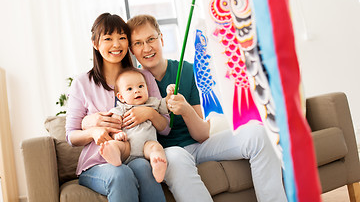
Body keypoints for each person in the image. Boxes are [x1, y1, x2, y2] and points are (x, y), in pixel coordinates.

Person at [125, 14, 288, 202]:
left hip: (200, 146)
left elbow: (202, 135)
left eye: (151, 39)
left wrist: (186, 109)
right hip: (168, 152)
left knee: (260, 134)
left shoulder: (186, 70)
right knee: (177, 158)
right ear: (131, 50)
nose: (146, 48)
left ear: (161, 38)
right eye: (138, 43)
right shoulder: (131, 83)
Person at [66, 13, 169, 202]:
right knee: (120, 174)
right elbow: (71, 136)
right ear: (95, 43)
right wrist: (93, 132)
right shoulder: (82, 83)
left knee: (144, 169)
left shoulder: (144, 77)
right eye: (108, 38)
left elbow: (166, 127)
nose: (116, 44)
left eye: (122, 38)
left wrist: (149, 113)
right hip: (96, 164)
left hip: (137, 155)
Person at [100, 67, 174, 183]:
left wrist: (170, 95)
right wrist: (117, 135)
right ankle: (113, 154)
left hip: (147, 145)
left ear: (147, 88)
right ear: (121, 97)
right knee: (116, 144)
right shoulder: (122, 108)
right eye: (129, 89)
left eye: (141, 86)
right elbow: (114, 125)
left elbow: (166, 106)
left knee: (156, 147)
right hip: (127, 145)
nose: (136, 91)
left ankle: (157, 163)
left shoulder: (152, 103)